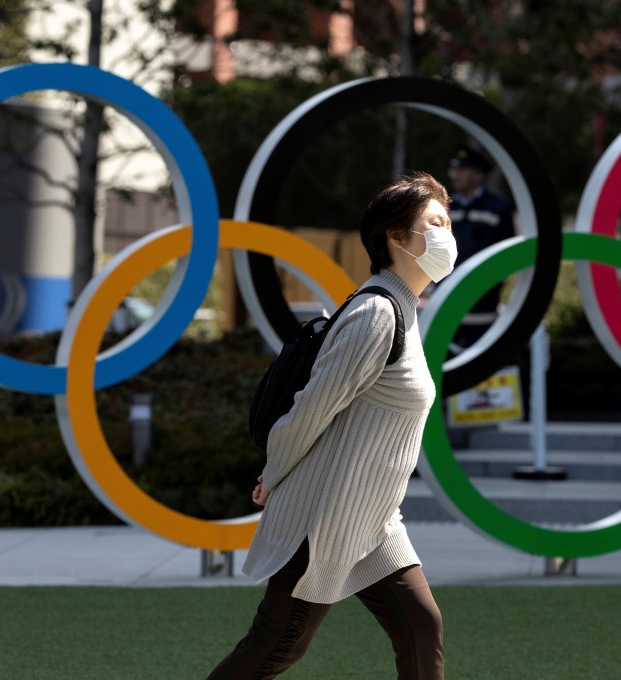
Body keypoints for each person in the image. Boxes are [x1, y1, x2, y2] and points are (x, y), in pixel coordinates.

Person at [206, 171, 454, 680]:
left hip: (373, 518)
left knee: (420, 627)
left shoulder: (403, 310)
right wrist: (273, 474)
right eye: (434, 222)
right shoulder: (376, 314)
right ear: (396, 237)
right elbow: (312, 408)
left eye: (448, 222)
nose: (447, 235)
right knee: (276, 646)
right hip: (323, 517)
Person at [445, 143, 515, 348]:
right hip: (447, 308)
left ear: (478, 175)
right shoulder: (446, 206)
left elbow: (507, 257)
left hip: (481, 310)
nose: (455, 175)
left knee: (481, 375)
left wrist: (488, 286)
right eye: (454, 169)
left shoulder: (497, 207)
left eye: (461, 170)